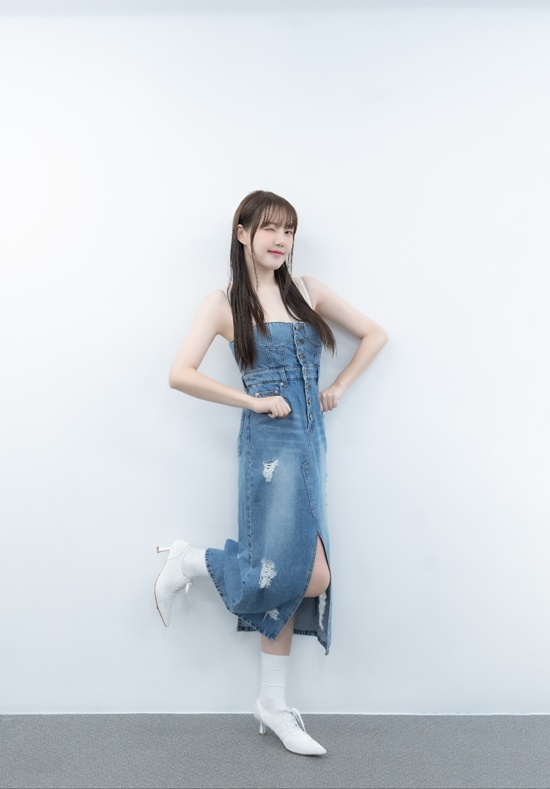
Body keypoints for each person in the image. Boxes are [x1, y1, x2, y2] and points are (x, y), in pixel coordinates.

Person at [154, 189, 387, 756]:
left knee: (292, 571)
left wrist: (339, 386)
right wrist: (252, 400)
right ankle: (192, 561)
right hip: (269, 446)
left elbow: (375, 334)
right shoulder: (223, 303)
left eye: (289, 230)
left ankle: (272, 702)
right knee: (302, 573)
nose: (281, 240)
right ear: (242, 234)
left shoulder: (309, 291)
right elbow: (180, 373)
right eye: (269, 229)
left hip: (312, 441)